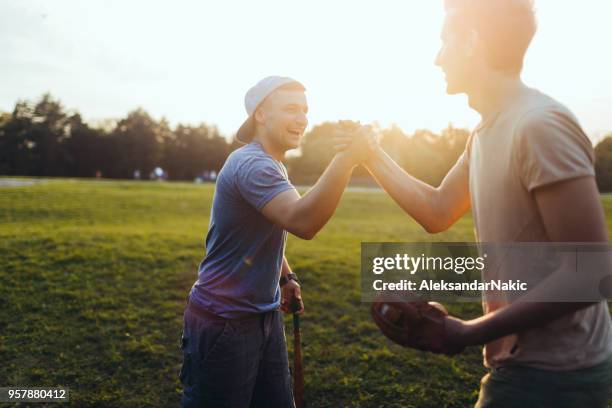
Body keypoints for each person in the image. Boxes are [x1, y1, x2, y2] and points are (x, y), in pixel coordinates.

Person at [337, 0, 612, 406]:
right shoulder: (485, 132)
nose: (437, 58)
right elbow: (437, 210)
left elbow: (591, 272)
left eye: (445, 42)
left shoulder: (538, 125)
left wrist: (468, 332)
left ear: (471, 42)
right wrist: (372, 155)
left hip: (558, 373)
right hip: (522, 366)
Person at [179, 76, 371, 407]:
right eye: (291, 109)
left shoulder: (271, 163)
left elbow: (265, 228)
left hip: (262, 314)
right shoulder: (253, 164)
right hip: (226, 320)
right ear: (261, 115)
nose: (302, 119)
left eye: (305, 110)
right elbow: (303, 221)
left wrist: (286, 277)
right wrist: (346, 159)